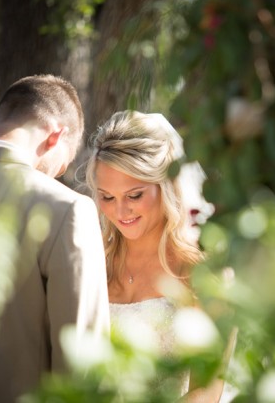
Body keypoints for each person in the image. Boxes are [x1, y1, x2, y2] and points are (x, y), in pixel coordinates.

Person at [0, 74, 110, 402]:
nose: (53, 176)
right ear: (56, 136)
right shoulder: (68, 209)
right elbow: (82, 357)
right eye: (59, 168)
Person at [84, 110, 230, 401]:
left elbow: (207, 388)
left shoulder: (201, 270)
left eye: (134, 195)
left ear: (166, 185)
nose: (120, 211)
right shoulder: (90, 259)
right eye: (107, 197)